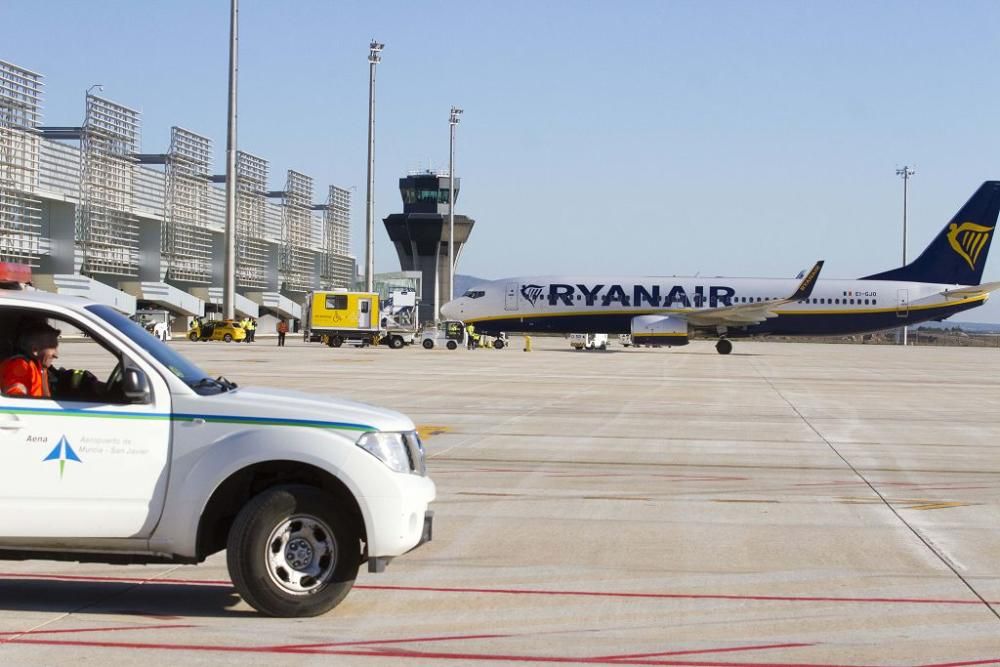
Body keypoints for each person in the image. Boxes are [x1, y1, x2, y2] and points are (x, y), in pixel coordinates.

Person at [1, 321, 102, 400]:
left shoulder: (40, 366)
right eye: (53, 348)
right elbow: (15, 401)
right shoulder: (21, 367)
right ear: (35, 350)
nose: (56, 355)